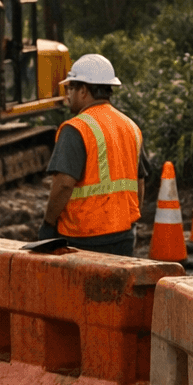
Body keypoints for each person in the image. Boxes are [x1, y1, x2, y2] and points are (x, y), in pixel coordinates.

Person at [40, 53, 151, 256]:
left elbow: (64, 185)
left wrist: (48, 224)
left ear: (83, 90)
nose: (68, 95)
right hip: (124, 235)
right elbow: (139, 182)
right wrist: (130, 221)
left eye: (70, 88)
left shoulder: (76, 128)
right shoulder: (131, 126)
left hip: (84, 236)